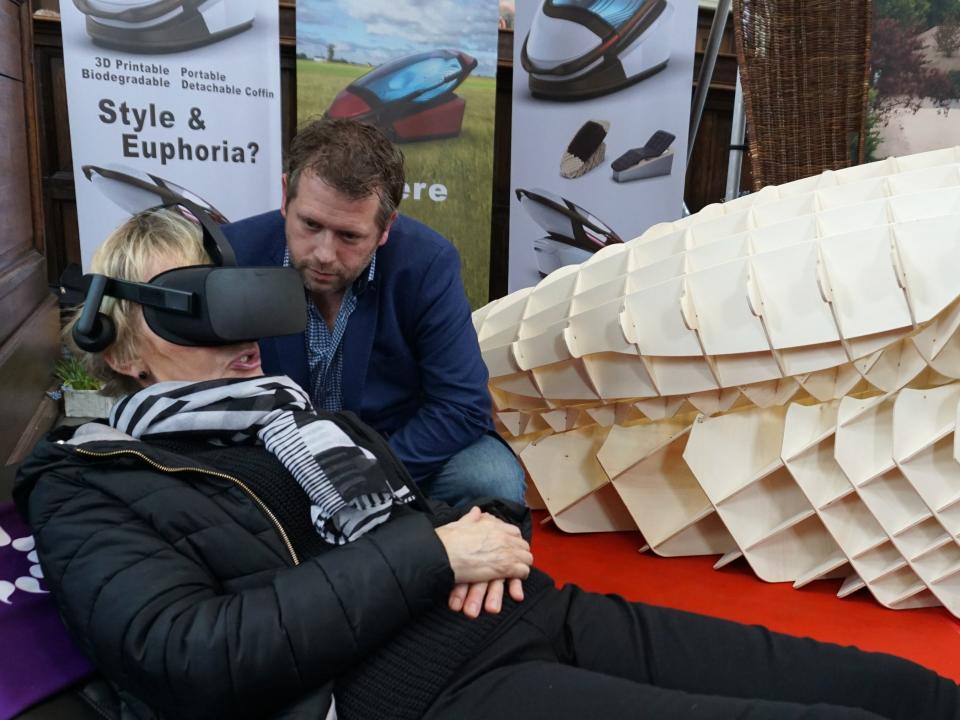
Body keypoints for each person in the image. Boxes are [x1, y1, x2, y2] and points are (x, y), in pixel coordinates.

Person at [15, 208, 960, 720]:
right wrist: (437, 558)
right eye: (194, 307)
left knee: (899, 690)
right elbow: (191, 655)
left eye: (238, 296)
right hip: (418, 691)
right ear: (123, 346)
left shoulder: (299, 419)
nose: (244, 331)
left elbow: (416, 511)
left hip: (529, 614)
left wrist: (490, 535)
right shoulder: (93, 483)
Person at [222, 118, 525, 507]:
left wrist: (363, 478)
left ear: (386, 227)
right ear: (285, 196)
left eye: (350, 236)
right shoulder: (236, 254)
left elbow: (461, 406)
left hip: (394, 447)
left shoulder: (427, 263)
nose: (324, 254)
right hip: (273, 456)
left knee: (490, 477)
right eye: (310, 224)